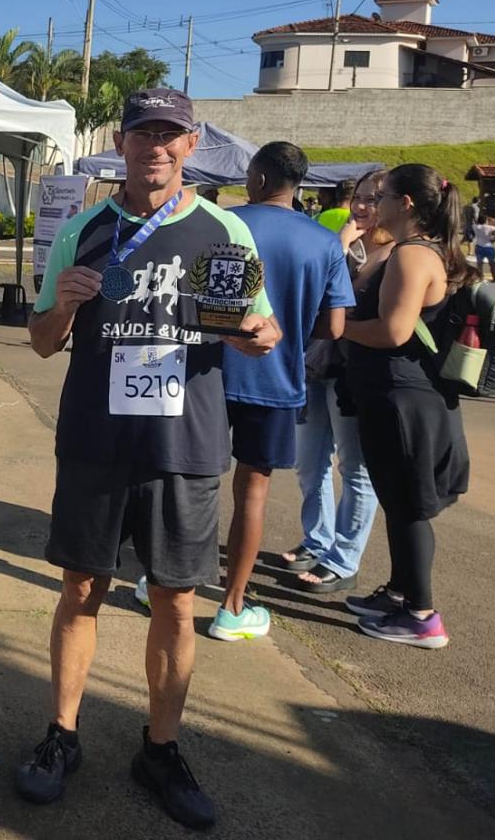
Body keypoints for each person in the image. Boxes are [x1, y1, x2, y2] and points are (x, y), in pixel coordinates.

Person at [25, 89, 278, 830]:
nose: (156, 148)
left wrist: (257, 335)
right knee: (81, 590)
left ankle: (160, 748)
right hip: (96, 444)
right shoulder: (83, 231)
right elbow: (41, 340)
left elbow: (259, 326)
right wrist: (63, 307)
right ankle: (62, 734)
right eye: (143, 134)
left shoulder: (225, 230)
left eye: (170, 135)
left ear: (191, 143)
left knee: (174, 598)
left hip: (184, 445)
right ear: (122, 142)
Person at [208, 142, 353, 641]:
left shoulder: (220, 222)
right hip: (276, 379)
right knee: (253, 491)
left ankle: (162, 581)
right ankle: (232, 606)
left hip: (206, 373)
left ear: (260, 179)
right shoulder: (325, 242)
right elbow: (334, 327)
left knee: (191, 481)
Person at [341, 165, 470, 650]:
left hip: (403, 398)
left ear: (407, 203)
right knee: (397, 502)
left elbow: (393, 331)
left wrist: (337, 327)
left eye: (384, 195)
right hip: (397, 394)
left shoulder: (413, 256)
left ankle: (421, 614)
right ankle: (399, 593)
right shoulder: (412, 251)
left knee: (409, 506)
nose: (377, 203)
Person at [289, 169, 391, 593]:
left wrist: (343, 250)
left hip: (354, 373)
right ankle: (318, 538)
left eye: (374, 199)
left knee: (354, 468)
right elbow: (314, 286)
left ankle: (344, 557)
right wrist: (342, 245)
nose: (363, 207)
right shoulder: (346, 244)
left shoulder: (393, 254)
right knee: (308, 463)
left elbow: (341, 305)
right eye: (359, 197)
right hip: (317, 365)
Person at [472, 211, 495, 282]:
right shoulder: (491, 228)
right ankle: (494, 278)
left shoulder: (475, 227)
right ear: (485, 220)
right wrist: (494, 239)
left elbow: (474, 223)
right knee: (492, 263)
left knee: (479, 264)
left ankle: (480, 277)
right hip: (489, 247)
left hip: (479, 246)